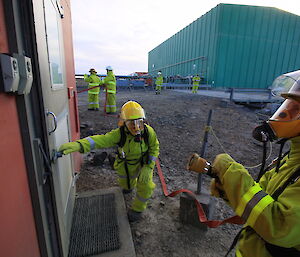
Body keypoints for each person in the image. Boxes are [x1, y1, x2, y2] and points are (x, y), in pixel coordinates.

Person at [187, 70, 300, 257]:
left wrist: (233, 174)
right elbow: (260, 200)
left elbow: (279, 228)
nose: (285, 113)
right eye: (288, 104)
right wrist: (228, 189)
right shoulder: (291, 157)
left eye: (296, 109)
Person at [59, 100, 160, 222]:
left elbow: (154, 148)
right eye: (131, 123)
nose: (136, 127)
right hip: (126, 164)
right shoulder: (119, 134)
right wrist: (80, 145)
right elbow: (101, 140)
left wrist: (148, 167)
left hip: (143, 163)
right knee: (126, 183)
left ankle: (138, 209)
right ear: (124, 123)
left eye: (139, 122)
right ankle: (129, 186)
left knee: (146, 185)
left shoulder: (149, 132)